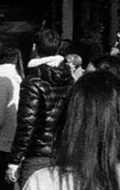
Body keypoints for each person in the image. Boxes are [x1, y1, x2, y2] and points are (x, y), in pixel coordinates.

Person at [9, 26, 75, 174]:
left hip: (38, 155)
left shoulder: (32, 81)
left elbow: (27, 124)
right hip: (64, 153)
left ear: (34, 48)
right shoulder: (69, 79)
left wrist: (15, 160)